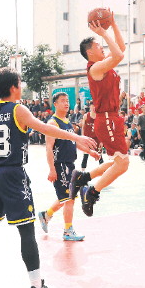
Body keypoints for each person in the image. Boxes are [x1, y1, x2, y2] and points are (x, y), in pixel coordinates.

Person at [0, 67, 99, 288]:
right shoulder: (18, 110)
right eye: (20, 83)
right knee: (26, 229)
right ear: (13, 87)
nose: (21, 86)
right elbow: (46, 128)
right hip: (12, 174)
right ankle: (37, 286)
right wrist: (77, 136)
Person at [69, 12, 131, 218]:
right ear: (90, 52)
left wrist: (113, 24)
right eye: (98, 45)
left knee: (117, 162)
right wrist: (104, 33)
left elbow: (120, 49)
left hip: (111, 118)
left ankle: (83, 177)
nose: (103, 47)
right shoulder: (95, 68)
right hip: (107, 119)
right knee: (123, 164)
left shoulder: (105, 63)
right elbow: (119, 55)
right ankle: (91, 191)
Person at [38, 92, 109, 242]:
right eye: (62, 101)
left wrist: (90, 152)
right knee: (69, 199)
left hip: (70, 164)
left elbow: (73, 142)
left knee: (67, 197)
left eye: (67, 101)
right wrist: (52, 169)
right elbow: (49, 147)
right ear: (55, 104)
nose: (66, 103)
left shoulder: (67, 122)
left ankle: (46, 215)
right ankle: (67, 231)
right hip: (61, 164)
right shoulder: (52, 123)